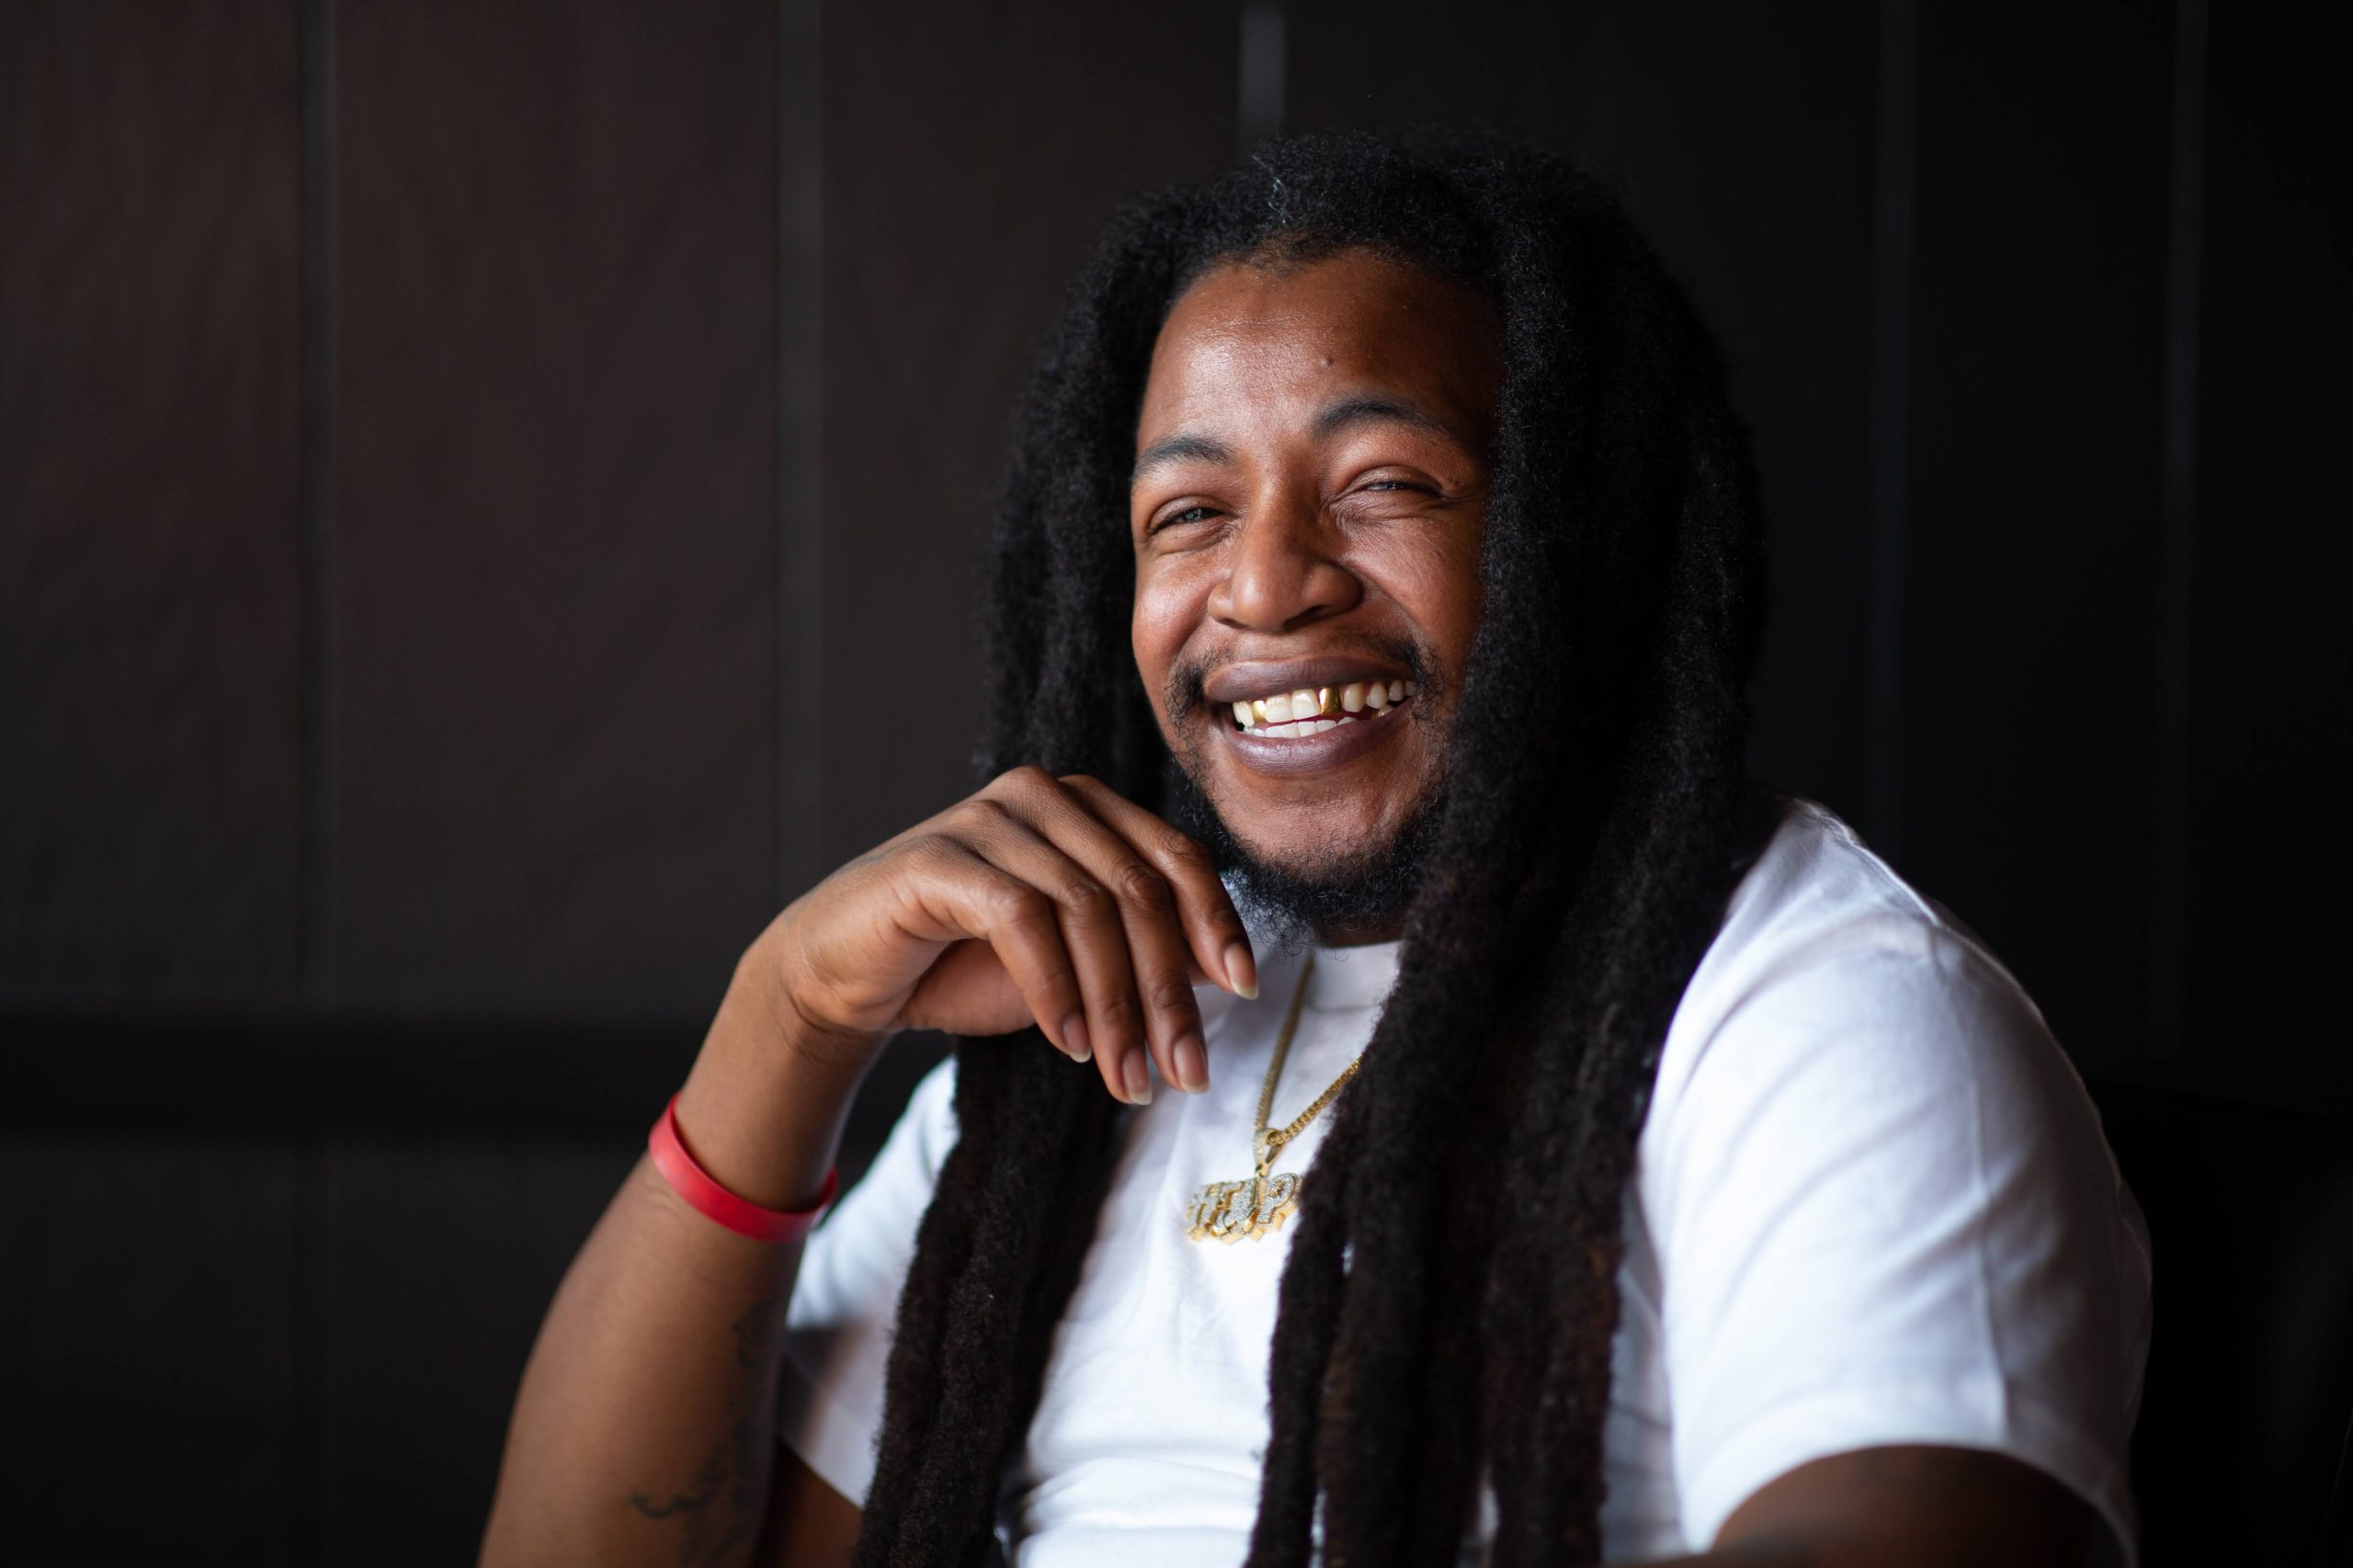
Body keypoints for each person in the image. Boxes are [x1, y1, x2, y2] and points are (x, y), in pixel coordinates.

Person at [482, 131, 2149, 1567]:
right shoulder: (1086, 1035)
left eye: (1384, 483)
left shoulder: (1827, 1007)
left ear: (1575, 535)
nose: (1267, 583)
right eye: (1189, 513)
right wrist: (789, 1019)